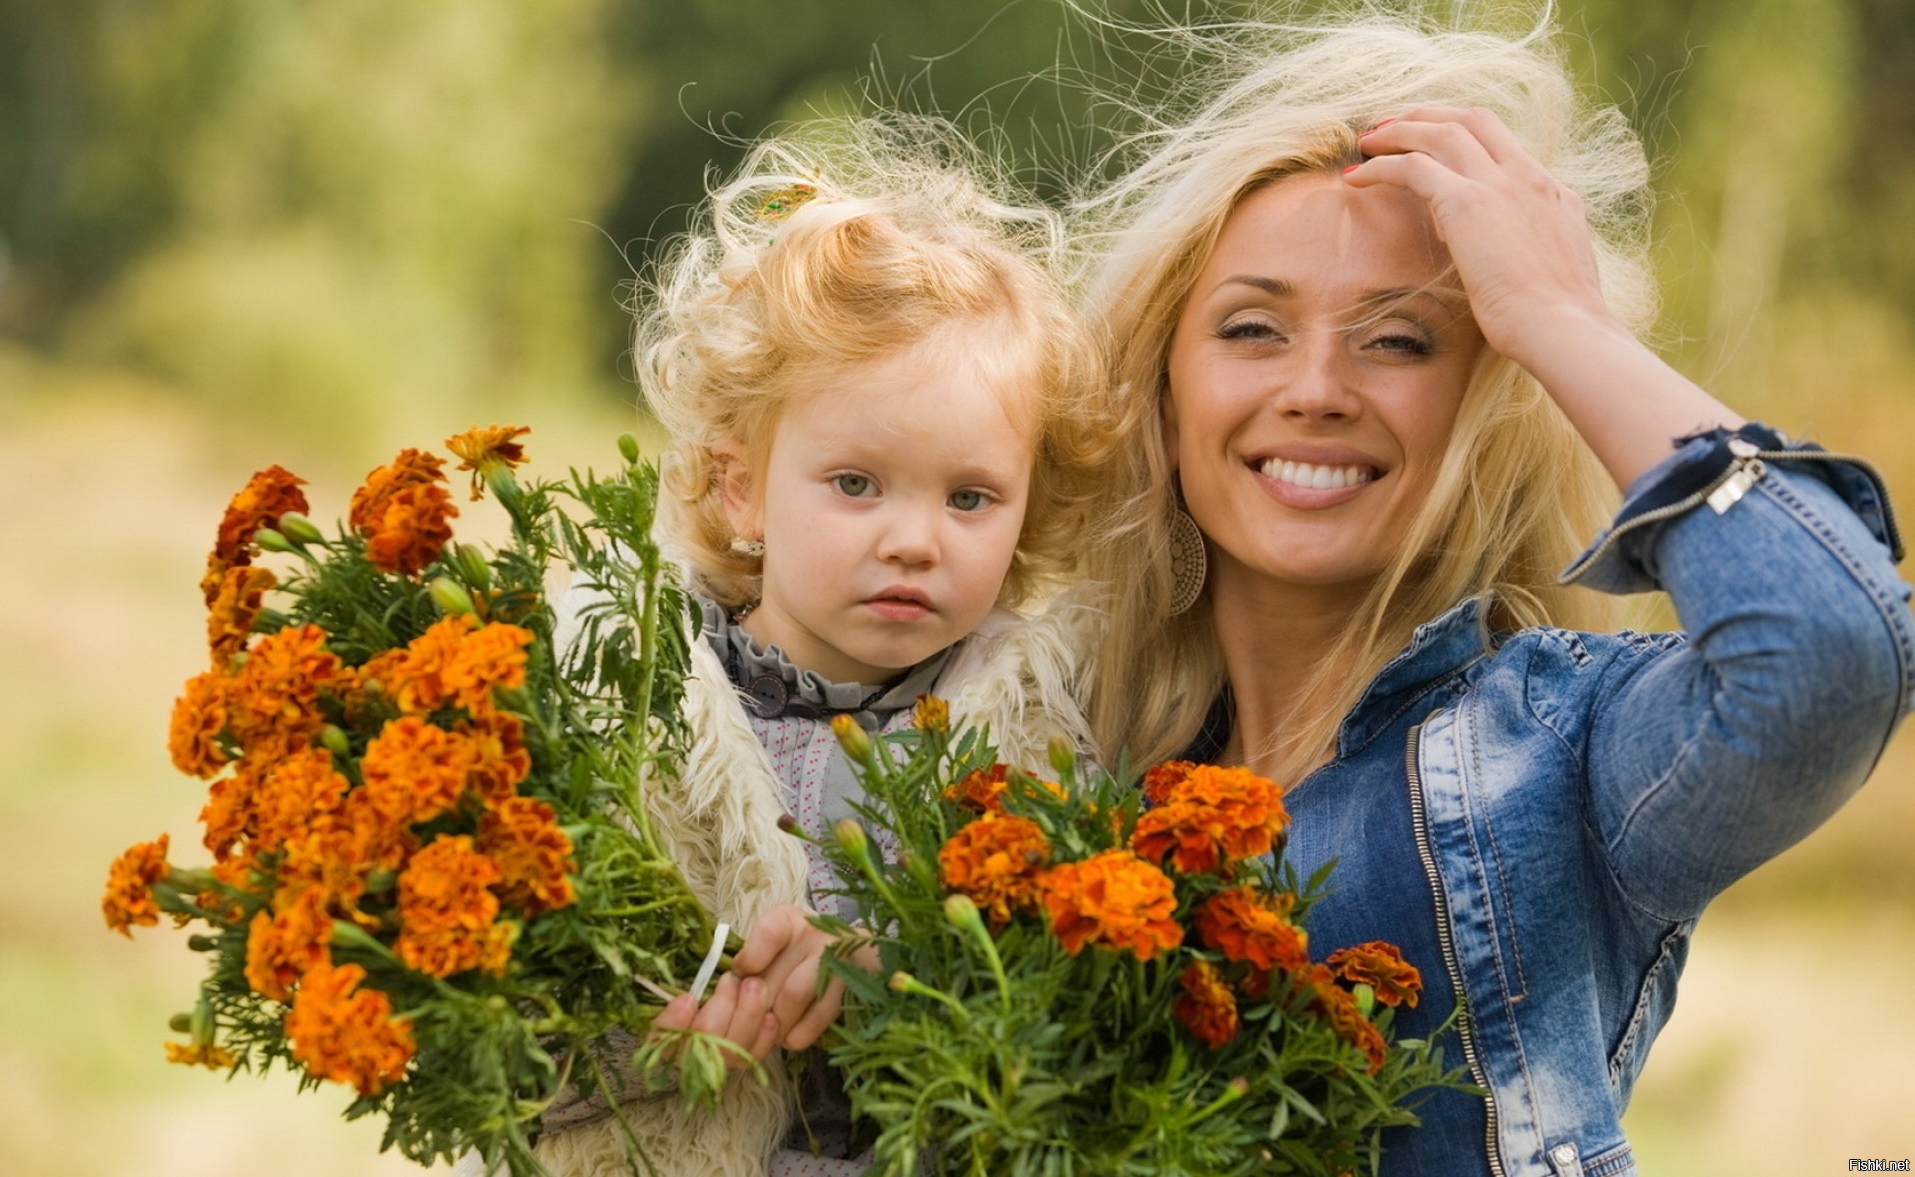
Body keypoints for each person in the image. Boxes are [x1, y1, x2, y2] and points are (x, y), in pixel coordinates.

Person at [1070, 11, 1912, 1176]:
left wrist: (1558, 319)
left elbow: (1827, 656)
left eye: (1401, 342)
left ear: (1492, 405)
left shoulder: (1557, 756)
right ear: (1165, 394)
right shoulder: (1069, 777)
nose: (1315, 388)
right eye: (1252, 328)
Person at [525, 127, 1111, 1177]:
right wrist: (644, 1031)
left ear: (1027, 511)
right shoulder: (631, 702)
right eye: (855, 483)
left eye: (970, 497)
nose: (913, 537)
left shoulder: (1043, 737)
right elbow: (510, 994)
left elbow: (1074, 1004)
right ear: (741, 486)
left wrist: (904, 964)